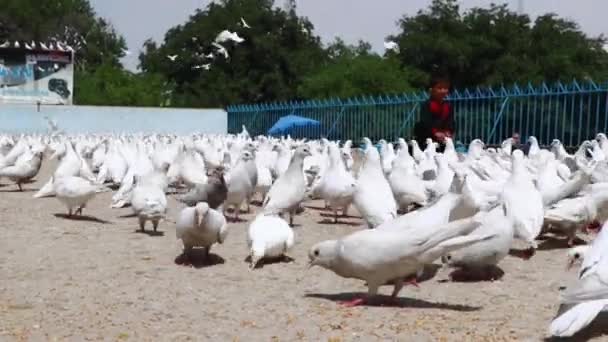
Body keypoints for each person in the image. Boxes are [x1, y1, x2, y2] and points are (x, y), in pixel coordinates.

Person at [413, 76, 455, 153]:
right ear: (431, 90)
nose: (443, 91)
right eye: (439, 88)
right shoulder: (426, 105)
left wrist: (448, 132)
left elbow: (451, 121)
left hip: (443, 140)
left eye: (445, 88)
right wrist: (435, 132)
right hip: (427, 140)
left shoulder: (448, 106)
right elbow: (426, 121)